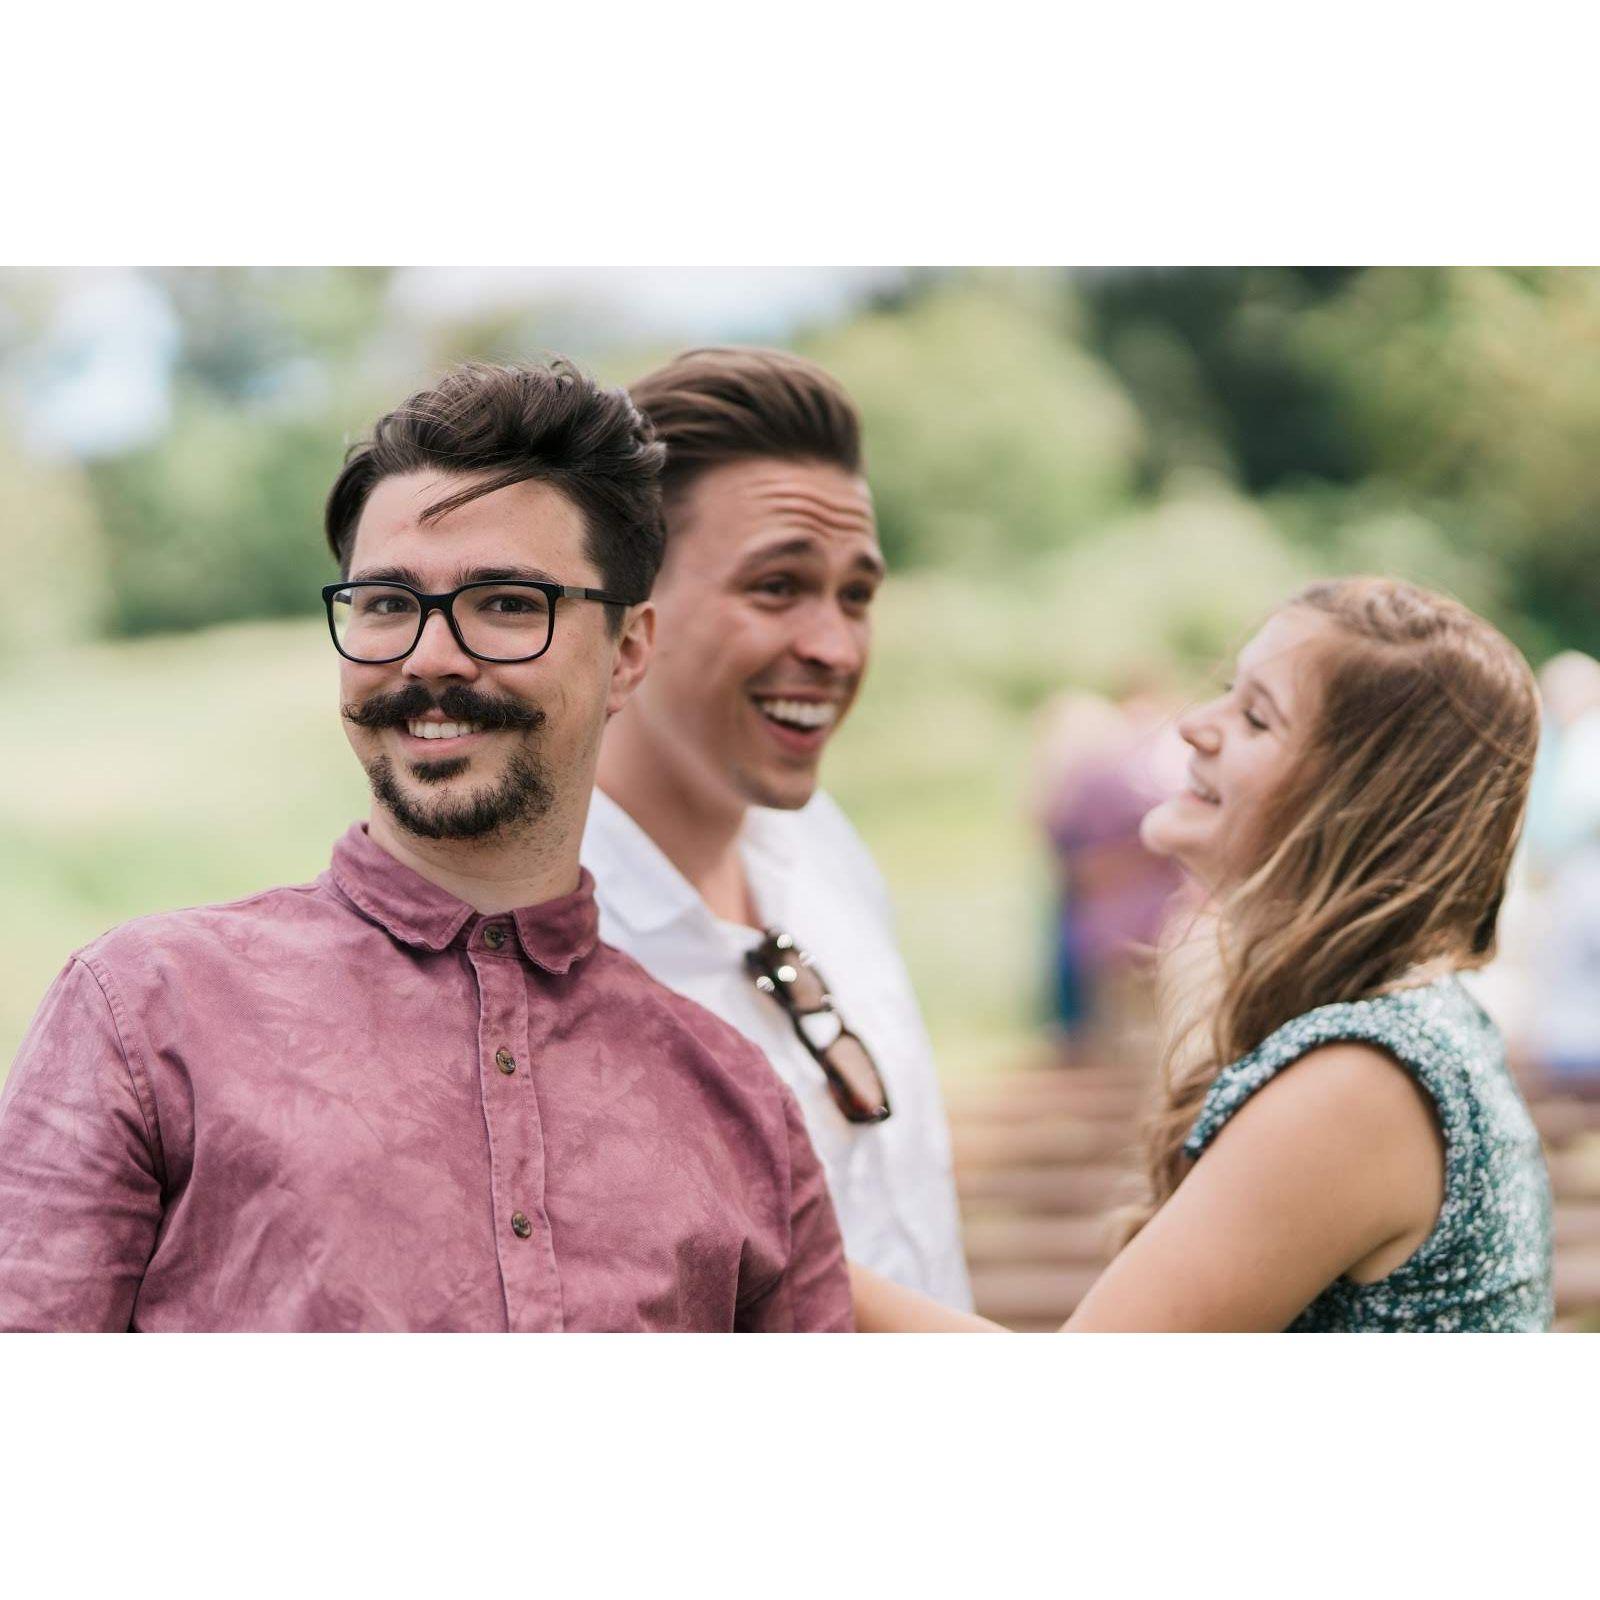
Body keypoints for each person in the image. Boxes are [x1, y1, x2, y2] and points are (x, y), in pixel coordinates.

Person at [0, 359, 851, 1332]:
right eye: (387, 604)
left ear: (626, 653)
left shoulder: (739, 1106)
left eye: (505, 603)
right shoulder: (144, 1012)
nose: (429, 657)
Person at [852, 577, 1554, 1332]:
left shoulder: (1364, 1080)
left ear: (1360, 804)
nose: (1193, 726)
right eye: (1226, 691)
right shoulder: (1417, 1030)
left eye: (1256, 717)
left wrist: (783, 1239)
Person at [582, 347, 971, 1308]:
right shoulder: (551, 950)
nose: (834, 648)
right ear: (630, 612)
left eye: (856, 595)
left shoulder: (825, 845)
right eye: (776, 587)